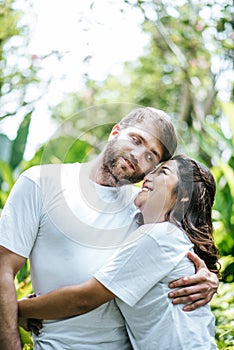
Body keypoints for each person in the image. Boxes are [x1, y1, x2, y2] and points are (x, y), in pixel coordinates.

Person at [0, 107, 218, 349]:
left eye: (151, 157)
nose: (137, 156)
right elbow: (2, 269)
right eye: (136, 140)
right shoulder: (42, 182)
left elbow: (181, 256)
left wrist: (208, 279)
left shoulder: (145, 209)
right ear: (116, 131)